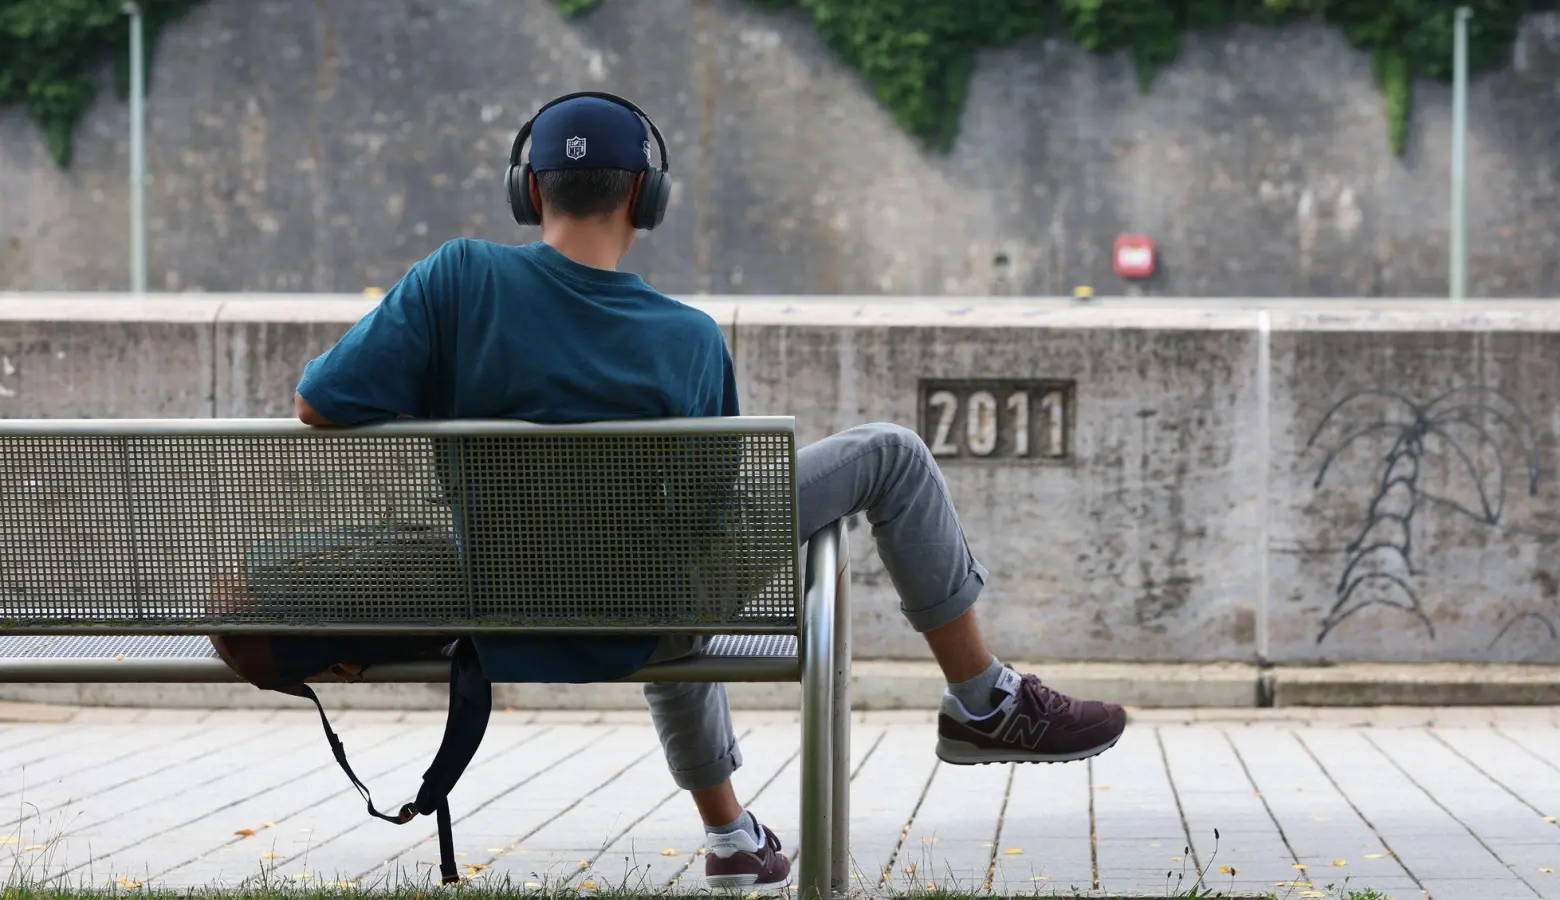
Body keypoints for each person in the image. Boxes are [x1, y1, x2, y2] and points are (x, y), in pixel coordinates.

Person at [291, 92, 1126, 890]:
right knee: (884, 457)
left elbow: (319, 403)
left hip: (506, 607)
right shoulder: (685, 337)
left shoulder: (454, 281)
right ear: (644, 197)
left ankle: (734, 838)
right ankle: (983, 699)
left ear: (530, 189)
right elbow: (704, 516)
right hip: (644, 616)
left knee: (653, 564)